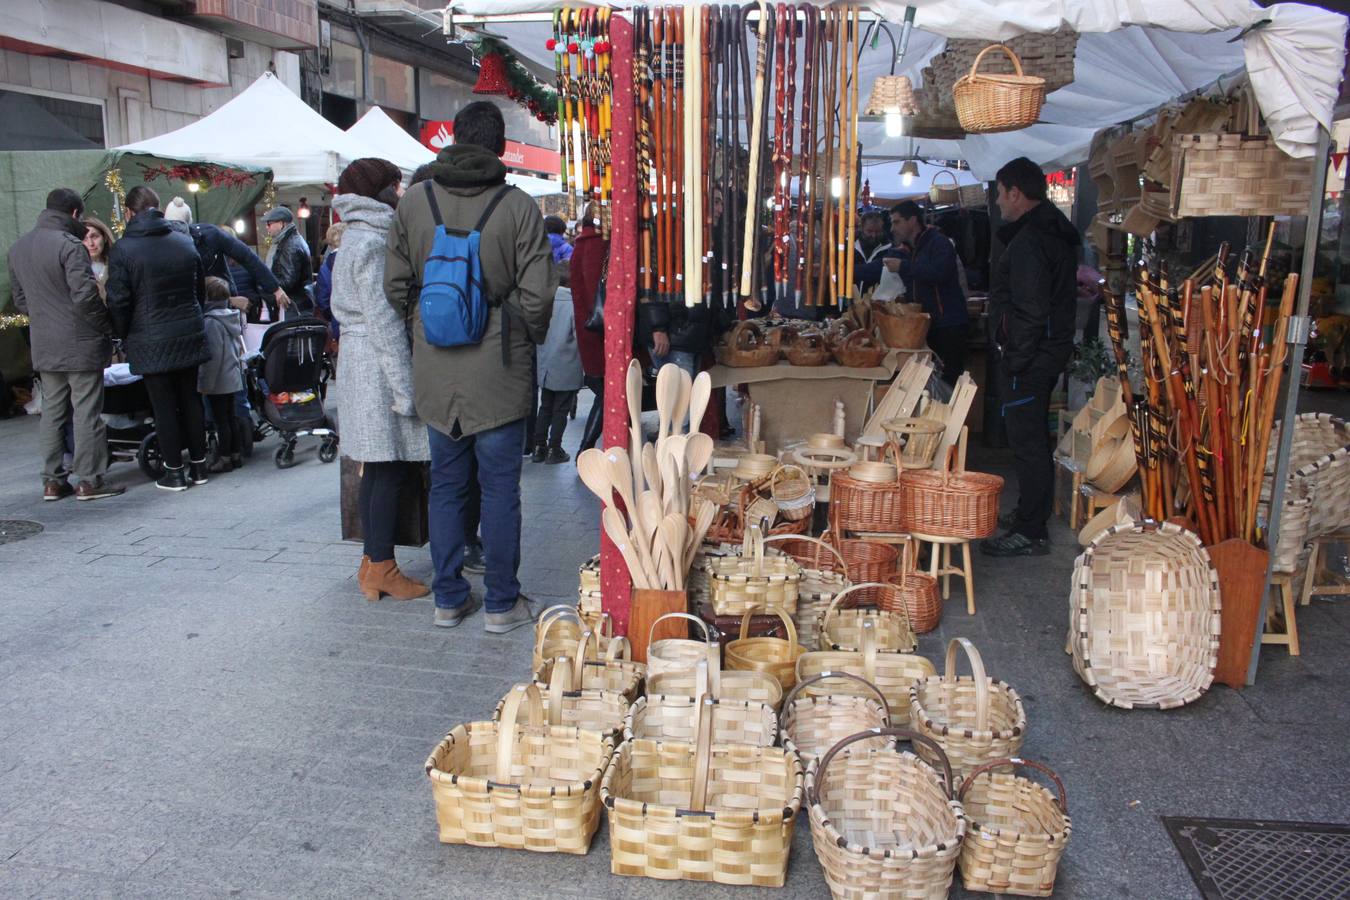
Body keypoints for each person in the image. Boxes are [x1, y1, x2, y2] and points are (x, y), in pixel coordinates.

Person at [385, 100, 554, 632]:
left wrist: (429, 321)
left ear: (451, 139)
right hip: (498, 373)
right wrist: (510, 330)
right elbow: (539, 295)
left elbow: (394, 287)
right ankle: (502, 604)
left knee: (447, 487)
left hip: (436, 372)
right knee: (501, 489)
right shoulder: (518, 206)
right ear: (501, 146)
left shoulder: (413, 203)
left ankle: (448, 598)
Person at [329, 158, 432, 603]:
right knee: (388, 468)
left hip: (360, 361)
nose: (400, 191)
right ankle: (382, 565)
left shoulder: (355, 236)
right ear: (381, 190)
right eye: (395, 184)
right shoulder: (372, 243)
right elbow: (386, 323)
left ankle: (373, 563)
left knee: (376, 468)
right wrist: (406, 391)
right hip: (375, 367)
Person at [981, 157, 1079, 558]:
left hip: (1032, 358)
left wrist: (1015, 357)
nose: (1000, 203)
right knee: (1032, 436)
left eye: (1002, 194)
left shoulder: (1033, 240)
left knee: (1029, 442)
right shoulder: (1045, 231)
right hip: (1042, 352)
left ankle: (1031, 530)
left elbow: (1031, 309)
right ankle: (1028, 512)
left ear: (1016, 193)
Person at [8, 187, 122, 501]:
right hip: (81, 343)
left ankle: (52, 481)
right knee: (86, 412)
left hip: (44, 344)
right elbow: (86, 297)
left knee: (53, 413)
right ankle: (89, 480)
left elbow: (21, 302)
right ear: (74, 214)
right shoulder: (70, 246)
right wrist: (106, 325)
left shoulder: (18, 248)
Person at [106, 185, 211, 492]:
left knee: (162, 405)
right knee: (190, 398)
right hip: (188, 331)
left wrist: (123, 333)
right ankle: (200, 466)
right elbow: (199, 291)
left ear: (128, 212)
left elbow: (118, 300)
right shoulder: (183, 242)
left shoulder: (123, 249)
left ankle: (174, 472)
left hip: (149, 337)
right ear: (159, 208)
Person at [885, 200, 970, 386]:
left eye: (897, 222)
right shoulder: (911, 248)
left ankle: (949, 414)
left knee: (949, 379)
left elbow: (940, 272)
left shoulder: (939, 243)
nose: (893, 228)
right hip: (927, 325)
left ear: (913, 220)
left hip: (948, 324)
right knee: (930, 381)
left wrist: (904, 266)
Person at [531, 262, 583, 464]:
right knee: (561, 409)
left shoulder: (545, 302)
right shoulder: (572, 304)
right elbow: (579, 337)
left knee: (545, 406)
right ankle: (554, 448)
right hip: (567, 363)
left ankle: (538, 447)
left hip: (546, 363)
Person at [569, 201, 607, 452]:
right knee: (608, 394)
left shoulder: (582, 245)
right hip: (599, 333)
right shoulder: (596, 245)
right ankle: (586, 449)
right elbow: (597, 293)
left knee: (606, 393)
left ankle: (588, 449)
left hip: (590, 330)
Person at [198, 276, 246, 472]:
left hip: (218, 381)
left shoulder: (211, 323)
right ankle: (236, 454)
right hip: (232, 377)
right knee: (231, 418)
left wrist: (205, 385)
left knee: (221, 422)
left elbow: (213, 359)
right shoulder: (230, 317)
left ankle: (224, 457)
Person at [262, 206, 312, 317]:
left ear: (281, 224)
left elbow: (288, 282)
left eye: (269, 224)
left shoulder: (290, 245)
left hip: (293, 305)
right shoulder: (289, 241)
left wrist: (265, 283)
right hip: (295, 303)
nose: (266, 227)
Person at [313, 222, 345, 343]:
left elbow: (323, 300)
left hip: (337, 322)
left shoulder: (325, 267)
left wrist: (332, 316)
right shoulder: (353, 260)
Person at [853, 210, 893, 293]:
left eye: (878, 232)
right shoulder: (848, 246)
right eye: (869, 231)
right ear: (861, 228)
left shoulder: (889, 249)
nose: (874, 235)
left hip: (877, 301)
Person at [81, 216, 115, 296]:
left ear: (105, 237)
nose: (90, 243)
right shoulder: (76, 269)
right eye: (84, 239)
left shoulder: (118, 264)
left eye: (94, 236)